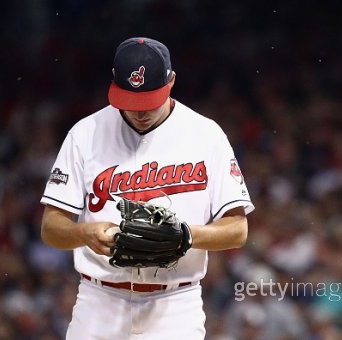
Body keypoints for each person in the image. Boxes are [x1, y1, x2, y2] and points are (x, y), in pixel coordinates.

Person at [39, 37, 255, 339]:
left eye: (149, 101)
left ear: (172, 81)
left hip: (174, 305)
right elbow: (51, 227)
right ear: (114, 82)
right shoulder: (85, 134)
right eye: (131, 102)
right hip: (99, 303)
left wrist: (186, 236)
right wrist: (83, 233)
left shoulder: (206, 135)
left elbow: (237, 230)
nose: (140, 112)